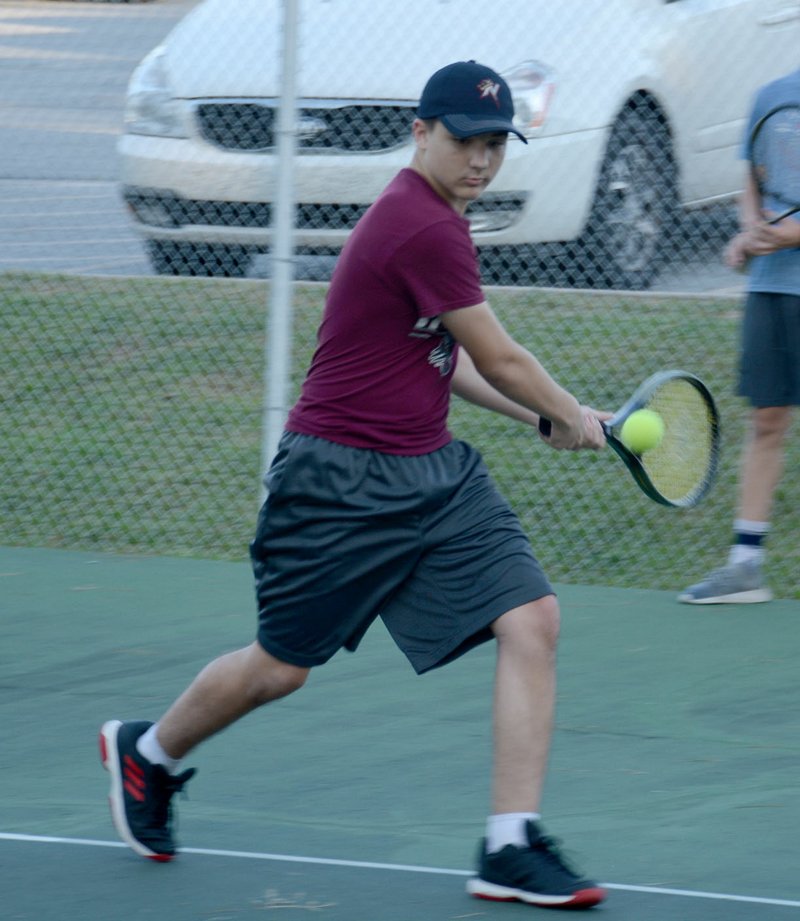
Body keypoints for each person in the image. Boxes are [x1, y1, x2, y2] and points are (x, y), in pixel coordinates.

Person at [99, 60, 609, 909]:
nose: (481, 161)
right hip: (339, 481)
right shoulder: (421, 225)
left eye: (494, 145)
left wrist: (543, 416)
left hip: (433, 474)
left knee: (533, 616)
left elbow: (439, 359)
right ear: (419, 133)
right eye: (464, 141)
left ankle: (510, 842)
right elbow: (502, 357)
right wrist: (564, 409)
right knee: (281, 667)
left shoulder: (442, 220)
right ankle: (147, 753)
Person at [679, 67, 800, 605]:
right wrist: (751, 234)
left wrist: (784, 235)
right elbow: (751, 185)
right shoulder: (770, 96)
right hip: (771, 288)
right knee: (766, 421)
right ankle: (746, 566)